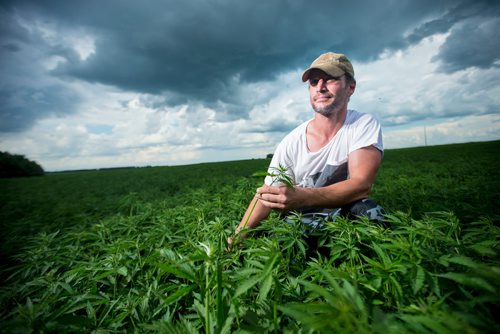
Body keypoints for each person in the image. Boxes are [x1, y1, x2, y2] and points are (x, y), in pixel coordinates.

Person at [228, 52, 385, 247]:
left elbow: (361, 185)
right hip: (299, 222)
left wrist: (301, 196)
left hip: (341, 218)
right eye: (314, 82)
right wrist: (236, 239)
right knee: (275, 243)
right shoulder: (291, 142)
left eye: (330, 79)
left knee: (369, 211)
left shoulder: (362, 124)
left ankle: (361, 270)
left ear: (350, 87)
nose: (320, 87)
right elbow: (266, 195)